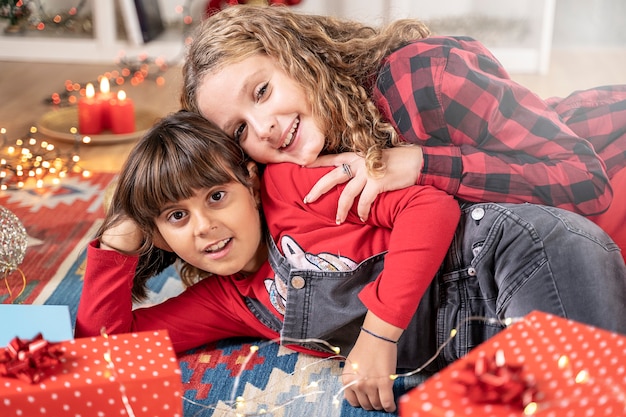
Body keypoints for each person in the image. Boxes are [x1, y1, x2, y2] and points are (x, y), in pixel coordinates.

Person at [75, 111, 626, 413]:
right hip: (479, 339)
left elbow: (428, 208)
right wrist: (119, 240)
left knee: (581, 401)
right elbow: (105, 351)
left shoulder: (290, 187)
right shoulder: (228, 300)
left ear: (246, 181)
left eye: (215, 197)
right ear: (162, 237)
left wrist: (379, 335)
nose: (204, 227)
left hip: (518, 256)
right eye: (176, 217)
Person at [180, 4, 626, 259]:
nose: (265, 129)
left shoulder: (427, 77)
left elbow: (587, 182)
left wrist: (420, 164)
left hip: (608, 165)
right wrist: (125, 235)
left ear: (301, 59)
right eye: (239, 130)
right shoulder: (292, 172)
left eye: (262, 91)